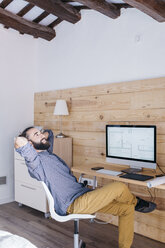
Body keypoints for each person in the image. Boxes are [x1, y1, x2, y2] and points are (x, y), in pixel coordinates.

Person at [15, 127, 156, 248]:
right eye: (36, 135)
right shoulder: (35, 164)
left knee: (126, 209)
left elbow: (49, 133)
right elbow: (20, 144)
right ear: (29, 144)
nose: (41, 135)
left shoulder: (47, 153)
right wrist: (26, 141)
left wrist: (39, 136)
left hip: (84, 195)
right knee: (119, 186)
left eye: (39, 132)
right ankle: (137, 202)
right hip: (73, 204)